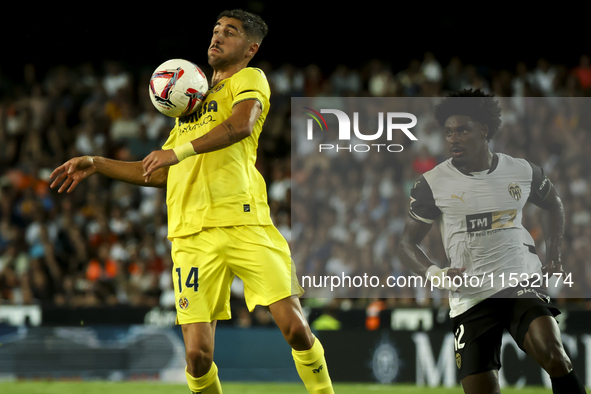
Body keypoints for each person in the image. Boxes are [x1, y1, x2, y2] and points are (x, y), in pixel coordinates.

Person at [50, 9, 334, 394]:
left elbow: (241, 125)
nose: (217, 37)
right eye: (216, 30)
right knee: (197, 357)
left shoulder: (249, 79)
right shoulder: (191, 107)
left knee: (296, 329)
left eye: (230, 33)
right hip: (190, 237)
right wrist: (97, 163)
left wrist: (177, 152)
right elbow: (158, 170)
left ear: (250, 48)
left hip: (244, 222)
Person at [398, 89, 586, 394]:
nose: (453, 138)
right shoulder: (431, 184)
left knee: (555, 356)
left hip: (518, 281)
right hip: (470, 296)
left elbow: (555, 204)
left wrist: (554, 254)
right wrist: (436, 274)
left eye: (462, 129)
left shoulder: (521, 170)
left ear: (484, 129)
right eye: (448, 132)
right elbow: (406, 245)